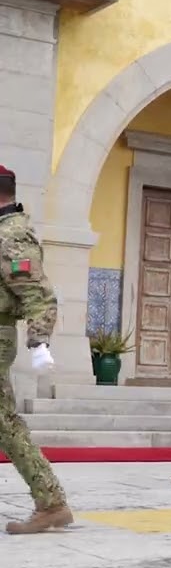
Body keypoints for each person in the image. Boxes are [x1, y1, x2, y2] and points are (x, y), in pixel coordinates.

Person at [0, 164, 71, 534]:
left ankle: (51, 502)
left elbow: (38, 294)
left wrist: (39, 341)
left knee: (4, 423)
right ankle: (51, 500)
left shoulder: (12, 235)